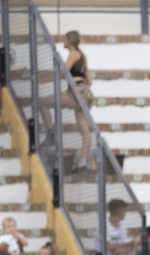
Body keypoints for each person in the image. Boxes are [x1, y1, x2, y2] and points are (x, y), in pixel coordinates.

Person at [40, 31, 93, 170]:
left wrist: (58, 64)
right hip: (85, 95)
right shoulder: (83, 56)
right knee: (85, 131)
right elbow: (90, 81)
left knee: (43, 103)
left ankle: (51, 133)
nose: (63, 41)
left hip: (75, 93)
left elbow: (65, 70)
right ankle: (83, 160)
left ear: (70, 40)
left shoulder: (74, 53)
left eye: (65, 39)